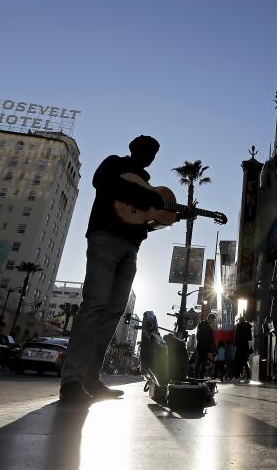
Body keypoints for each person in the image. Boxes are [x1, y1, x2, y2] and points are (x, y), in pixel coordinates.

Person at [59, 135, 192, 404]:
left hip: (131, 249)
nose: (149, 157)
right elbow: (102, 183)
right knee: (94, 304)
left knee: (114, 311)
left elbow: (144, 222)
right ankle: (71, 380)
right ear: (134, 150)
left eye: (153, 154)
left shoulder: (146, 186)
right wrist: (148, 197)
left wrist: (174, 216)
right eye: (146, 151)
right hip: (104, 238)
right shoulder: (115, 165)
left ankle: (91, 378)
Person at [195, 314, 215, 378]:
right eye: (213, 320)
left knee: (201, 361)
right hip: (203, 346)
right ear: (210, 318)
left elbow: (199, 335)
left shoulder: (203, 324)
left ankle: (198, 376)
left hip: (202, 346)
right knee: (201, 362)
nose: (213, 321)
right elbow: (203, 336)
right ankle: (199, 377)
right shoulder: (205, 325)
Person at [233, 316, 253, 382]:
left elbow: (236, 336)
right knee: (245, 362)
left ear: (240, 320)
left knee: (237, 362)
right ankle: (248, 378)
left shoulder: (238, 326)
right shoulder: (248, 326)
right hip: (245, 346)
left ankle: (237, 377)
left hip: (239, 346)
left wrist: (235, 345)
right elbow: (250, 338)